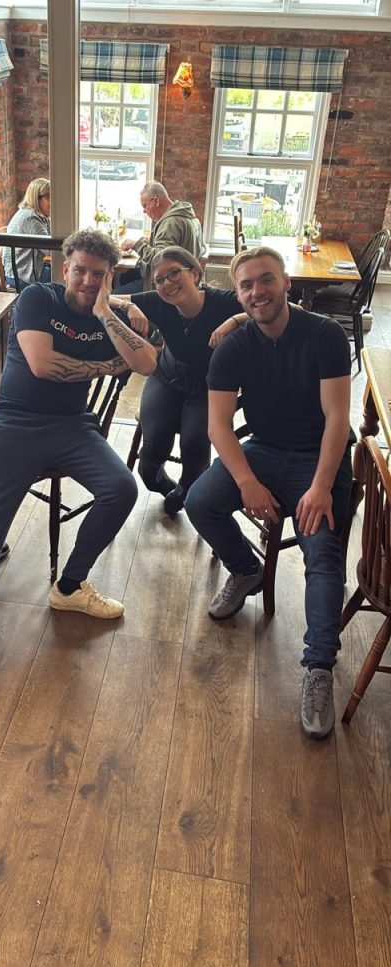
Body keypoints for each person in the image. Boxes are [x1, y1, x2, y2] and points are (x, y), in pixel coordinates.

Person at [0, 229, 158, 676]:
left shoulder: (108, 315)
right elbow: (43, 366)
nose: (87, 280)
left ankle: (70, 586)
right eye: (80, 270)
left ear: (110, 277)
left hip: (73, 427)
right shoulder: (38, 298)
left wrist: (110, 309)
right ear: (66, 269)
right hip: (15, 422)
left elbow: (147, 363)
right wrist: (105, 365)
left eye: (98, 274)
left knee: (122, 488)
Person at [184, 246, 352, 741]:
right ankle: (246, 570)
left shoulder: (324, 335)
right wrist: (246, 481)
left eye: (266, 280)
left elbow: (337, 418)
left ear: (286, 284)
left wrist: (321, 485)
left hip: (317, 456)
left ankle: (319, 668)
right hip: (263, 450)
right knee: (199, 501)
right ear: (238, 294)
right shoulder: (234, 346)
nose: (257, 292)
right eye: (246, 285)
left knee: (323, 554)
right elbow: (218, 426)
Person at [111, 246, 243, 515]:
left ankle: (185, 491)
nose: (167, 283)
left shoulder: (223, 302)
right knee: (150, 456)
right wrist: (129, 305)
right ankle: (163, 483)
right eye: (159, 279)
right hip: (168, 376)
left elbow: (283, 308)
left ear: (195, 273)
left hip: (210, 387)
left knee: (194, 447)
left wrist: (235, 320)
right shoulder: (158, 301)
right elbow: (102, 298)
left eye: (174, 273)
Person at [114, 181, 205, 294]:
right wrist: (151, 242)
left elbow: (160, 260)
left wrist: (136, 244)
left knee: (114, 295)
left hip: (168, 286)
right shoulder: (189, 217)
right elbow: (176, 247)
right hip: (184, 281)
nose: (144, 211)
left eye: (145, 205)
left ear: (156, 201)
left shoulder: (170, 223)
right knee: (126, 276)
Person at [2, 178, 51, 290]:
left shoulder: (41, 217)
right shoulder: (30, 218)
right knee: (63, 278)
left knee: (63, 273)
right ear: (36, 198)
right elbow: (50, 249)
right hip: (20, 274)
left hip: (29, 269)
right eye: (48, 197)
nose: (53, 201)